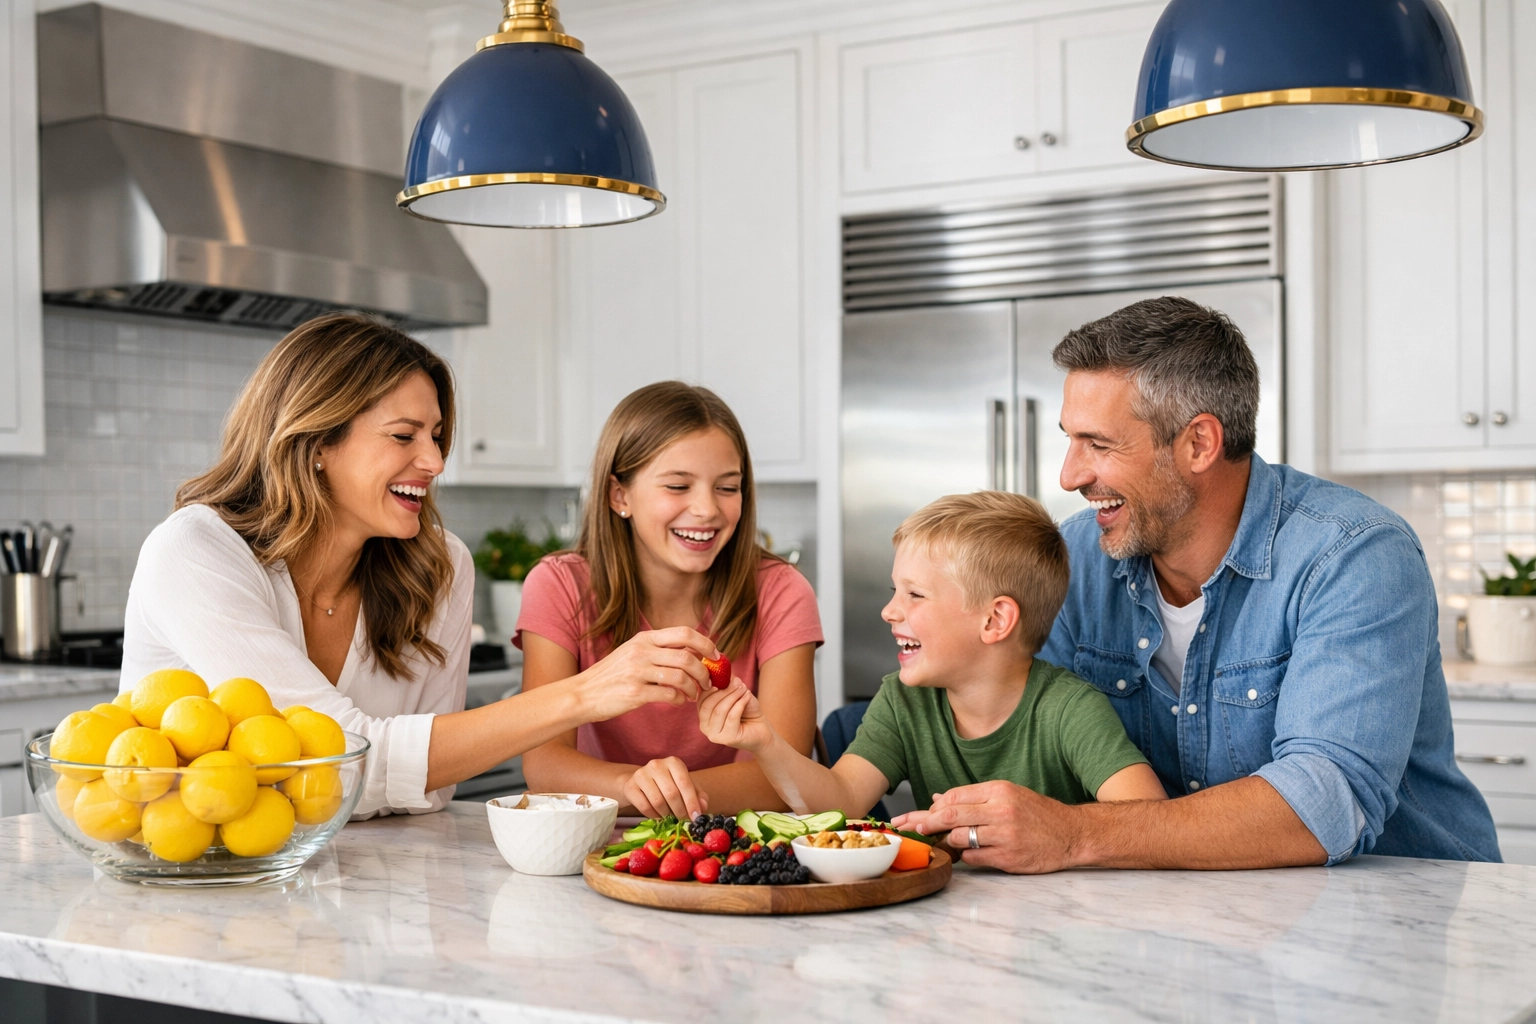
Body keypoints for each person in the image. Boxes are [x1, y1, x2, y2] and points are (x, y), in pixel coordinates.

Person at [895, 296, 1500, 871]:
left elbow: (1327, 800)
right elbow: (1010, 710)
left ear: (1199, 443)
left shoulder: (1353, 554)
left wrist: (1075, 834)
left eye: (1098, 444)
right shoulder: (1076, 556)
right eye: (1069, 439)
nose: (1070, 474)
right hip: (1186, 916)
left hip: (1405, 913)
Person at [122, 314, 705, 819]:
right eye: (404, 436)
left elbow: (427, 790)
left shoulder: (441, 566)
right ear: (317, 441)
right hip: (199, 883)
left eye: (437, 436)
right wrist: (586, 694)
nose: (433, 461)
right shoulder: (196, 551)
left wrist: (385, 772)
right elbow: (334, 761)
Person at [698, 492, 1167, 821]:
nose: (889, 610)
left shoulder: (1069, 710)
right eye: (892, 590)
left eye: (915, 595)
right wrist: (765, 742)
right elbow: (840, 801)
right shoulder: (905, 704)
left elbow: (1146, 819)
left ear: (994, 621)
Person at [517, 382, 823, 820]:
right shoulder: (559, 585)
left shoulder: (782, 592)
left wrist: (658, 791)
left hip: (736, 849)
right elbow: (544, 763)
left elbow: (784, 776)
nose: (706, 510)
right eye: (678, 486)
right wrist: (631, 784)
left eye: (728, 487)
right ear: (619, 495)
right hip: (600, 846)